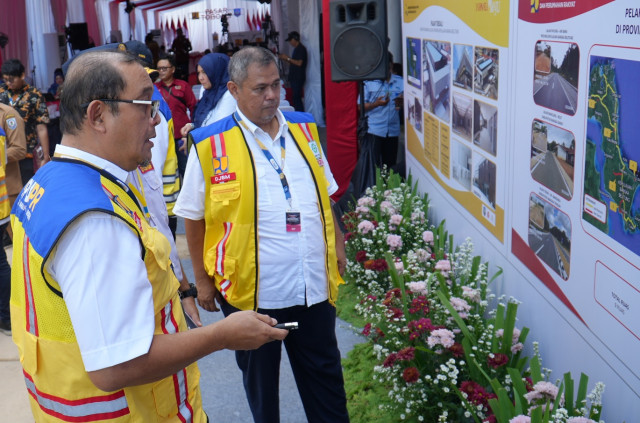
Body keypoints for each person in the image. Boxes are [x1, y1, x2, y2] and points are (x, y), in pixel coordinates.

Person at [10, 49, 287, 422]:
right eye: (146, 106)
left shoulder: (53, 181)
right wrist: (222, 335)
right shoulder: (94, 219)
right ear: (98, 115)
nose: (157, 122)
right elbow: (114, 366)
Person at [175, 46, 349, 423]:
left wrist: (338, 245)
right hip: (250, 296)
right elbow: (192, 216)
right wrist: (203, 283)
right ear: (234, 90)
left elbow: (325, 193)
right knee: (262, 395)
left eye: (276, 85)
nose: (272, 96)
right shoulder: (211, 143)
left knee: (328, 393)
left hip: (312, 289)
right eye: (260, 88)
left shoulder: (304, 129)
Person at [0, 59, 50, 184]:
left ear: (22, 75)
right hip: (5, 153)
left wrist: (45, 156)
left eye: (11, 79)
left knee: (26, 187)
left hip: (26, 152)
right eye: (5, 79)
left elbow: (41, 127)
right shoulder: (1, 92)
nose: (8, 83)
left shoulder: (34, 95)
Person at [0, 104, 26, 335]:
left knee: (19, 252)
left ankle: (16, 311)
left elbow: (19, 149)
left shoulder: (8, 115)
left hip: (9, 191)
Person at [155, 54, 197, 181]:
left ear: (172, 69)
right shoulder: (154, 88)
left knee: (186, 169)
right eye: (159, 69)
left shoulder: (183, 86)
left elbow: (194, 108)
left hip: (181, 137)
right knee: (166, 171)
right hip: (164, 138)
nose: (161, 71)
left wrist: (192, 128)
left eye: (164, 68)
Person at [362, 51, 404, 172]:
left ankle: (388, 190)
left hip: (393, 131)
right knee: (373, 166)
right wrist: (376, 104)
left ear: (391, 65)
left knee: (390, 166)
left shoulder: (401, 81)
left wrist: (402, 101)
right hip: (375, 130)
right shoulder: (369, 81)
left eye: (387, 67)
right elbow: (360, 107)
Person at [180, 53, 236, 139]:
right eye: (198, 73)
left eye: (205, 72)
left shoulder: (230, 95)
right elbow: (208, 118)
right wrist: (192, 126)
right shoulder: (208, 91)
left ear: (217, 71)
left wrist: (193, 137)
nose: (200, 78)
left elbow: (219, 127)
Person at [278, 31, 307, 112]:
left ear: (295, 39)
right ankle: (299, 114)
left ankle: (300, 115)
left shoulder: (301, 49)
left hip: (298, 77)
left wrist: (287, 58)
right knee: (295, 98)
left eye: (291, 40)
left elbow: (299, 63)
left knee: (297, 98)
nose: (290, 43)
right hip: (295, 77)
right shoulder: (297, 49)